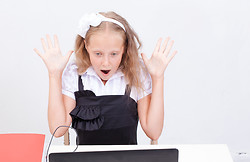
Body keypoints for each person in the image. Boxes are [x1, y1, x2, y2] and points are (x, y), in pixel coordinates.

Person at [34, 11, 177, 145]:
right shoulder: (74, 74)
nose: (106, 62)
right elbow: (57, 130)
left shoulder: (136, 74)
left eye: (114, 54)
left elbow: (154, 132)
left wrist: (158, 78)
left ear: (124, 49)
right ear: (86, 46)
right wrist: (54, 75)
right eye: (98, 54)